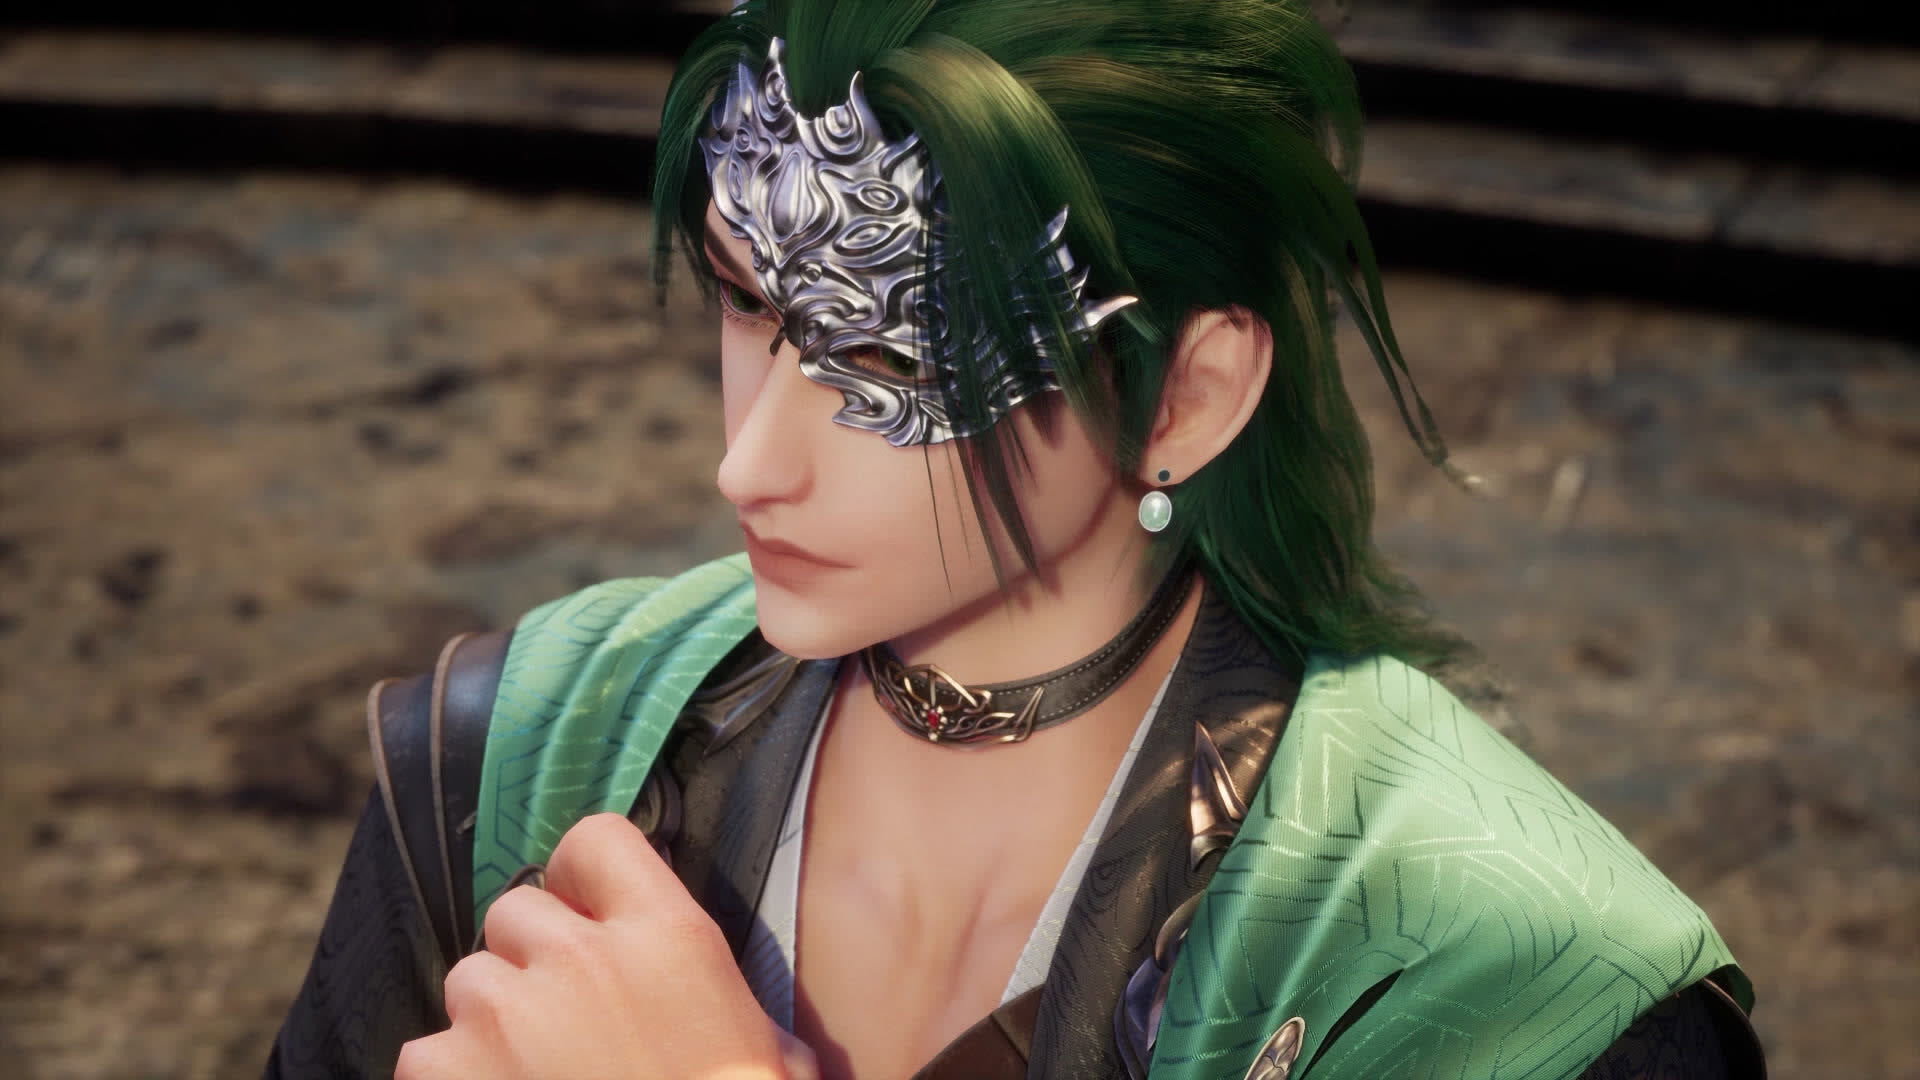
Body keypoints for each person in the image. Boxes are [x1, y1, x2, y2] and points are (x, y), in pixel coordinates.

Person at [266, 0, 1765, 1077]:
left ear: (1187, 394)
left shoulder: (1503, 981)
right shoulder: (516, 756)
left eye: (888, 358)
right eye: (747, 299)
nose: (749, 460)